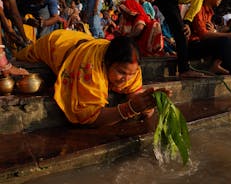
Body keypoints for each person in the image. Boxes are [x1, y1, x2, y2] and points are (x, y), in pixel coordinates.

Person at [15, 29, 170, 126]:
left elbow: (134, 92)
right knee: (22, 55)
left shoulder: (132, 66)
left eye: (131, 74)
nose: (126, 79)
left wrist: (148, 103)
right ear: (107, 63)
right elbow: (88, 115)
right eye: (121, 72)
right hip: (56, 42)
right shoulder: (89, 70)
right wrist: (129, 109)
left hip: (81, 40)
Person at [155, 0, 211, 78]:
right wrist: (187, 21)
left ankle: (184, 67)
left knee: (180, 33)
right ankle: (184, 70)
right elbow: (198, 0)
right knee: (182, 33)